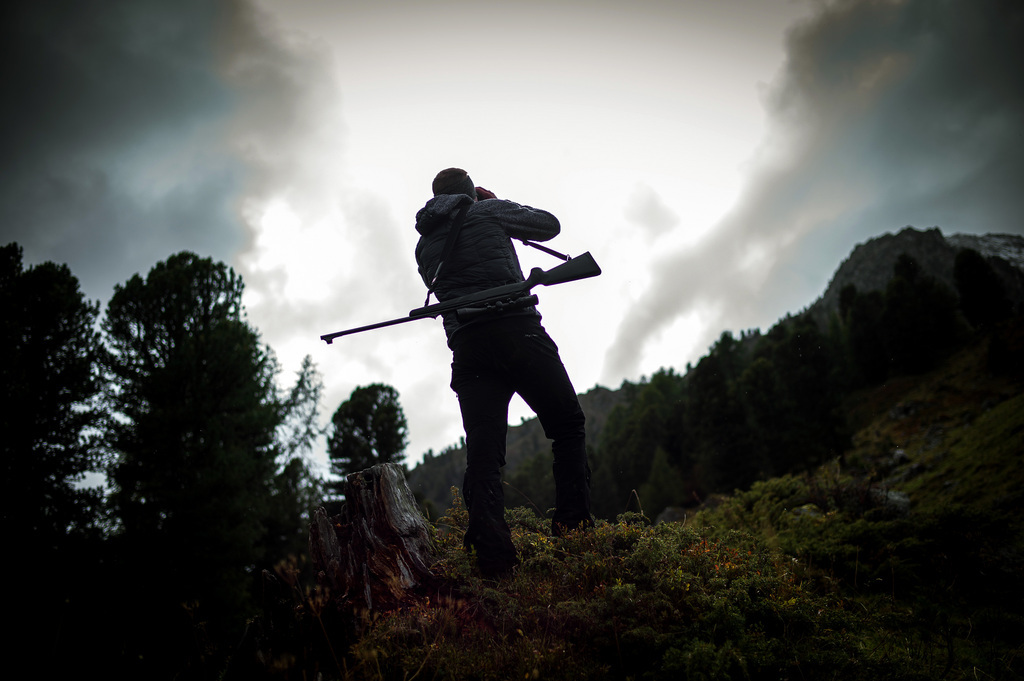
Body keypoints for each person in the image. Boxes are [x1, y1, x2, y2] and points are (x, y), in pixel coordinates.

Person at [414, 167, 593, 577]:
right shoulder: (487, 211)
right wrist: (492, 203)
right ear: (469, 193)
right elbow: (549, 226)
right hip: (517, 331)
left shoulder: (424, 246)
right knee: (567, 427)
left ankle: (493, 557)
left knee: (484, 453)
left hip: (470, 349)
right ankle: (574, 533)